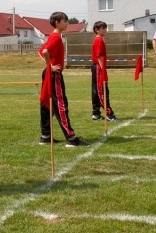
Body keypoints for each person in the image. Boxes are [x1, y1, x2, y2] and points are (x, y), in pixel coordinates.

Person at [39, 12, 90, 147]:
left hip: (49, 73)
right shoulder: (55, 38)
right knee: (60, 104)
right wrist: (50, 66)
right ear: (57, 22)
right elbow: (44, 52)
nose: (67, 23)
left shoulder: (53, 36)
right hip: (54, 74)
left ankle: (45, 136)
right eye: (65, 21)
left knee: (46, 104)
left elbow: (41, 51)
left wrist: (48, 66)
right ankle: (71, 138)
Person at [90, 21, 118, 121]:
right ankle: (109, 114)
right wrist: (103, 70)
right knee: (102, 90)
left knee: (96, 90)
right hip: (98, 67)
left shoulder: (101, 39)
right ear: (97, 30)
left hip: (97, 66)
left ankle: (96, 113)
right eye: (103, 28)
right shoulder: (98, 40)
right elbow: (100, 56)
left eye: (105, 28)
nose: (105, 30)